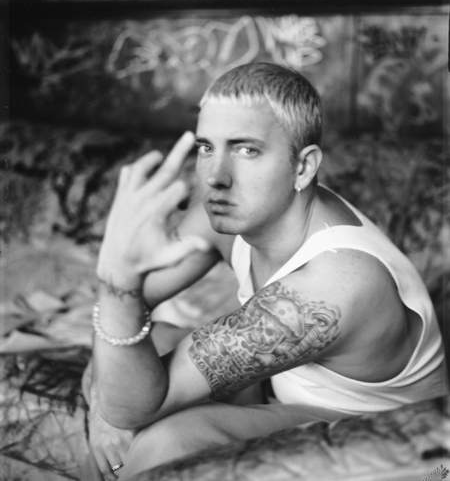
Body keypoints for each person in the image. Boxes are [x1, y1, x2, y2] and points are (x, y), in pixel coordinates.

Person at [85, 62, 448, 480]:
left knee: (167, 441)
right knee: (132, 354)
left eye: (247, 150)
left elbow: (128, 368)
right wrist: (104, 408)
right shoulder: (230, 210)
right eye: (207, 147)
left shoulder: (333, 283)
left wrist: (115, 279)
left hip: (389, 440)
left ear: (303, 167)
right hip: (287, 395)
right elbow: (127, 313)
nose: (216, 177)